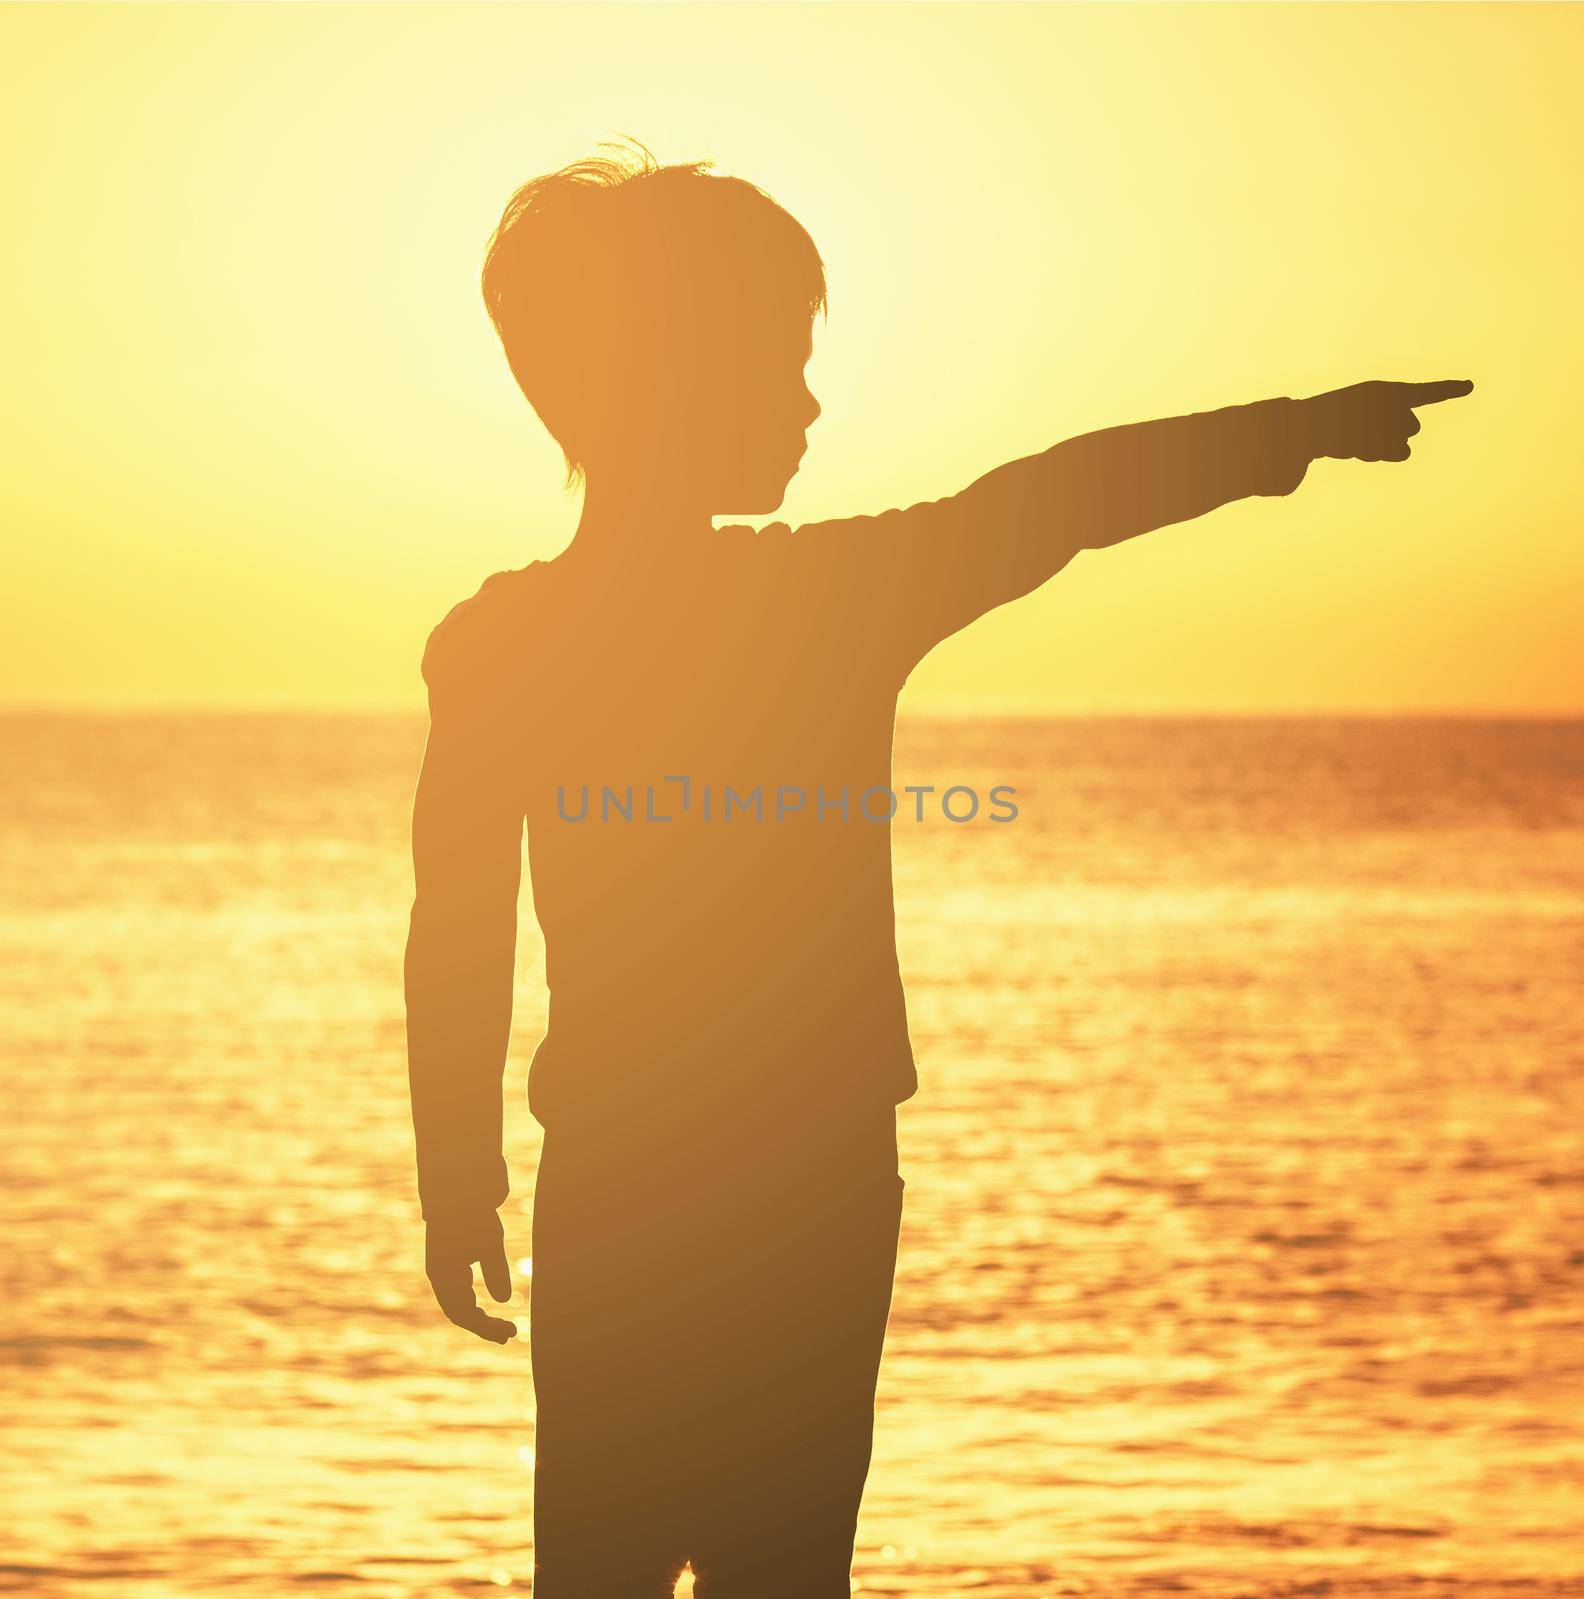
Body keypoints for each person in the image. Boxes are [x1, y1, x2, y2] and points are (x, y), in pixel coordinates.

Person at [403, 139, 1471, 1598]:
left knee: (615, 1571)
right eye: (776, 364)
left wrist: (457, 1175)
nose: (807, 400)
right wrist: (1293, 431)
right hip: (783, 1182)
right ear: (675, 380)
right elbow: (1056, 501)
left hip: (685, 1179)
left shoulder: (513, 643)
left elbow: (454, 932)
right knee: (766, 1574)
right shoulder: (812, 602)